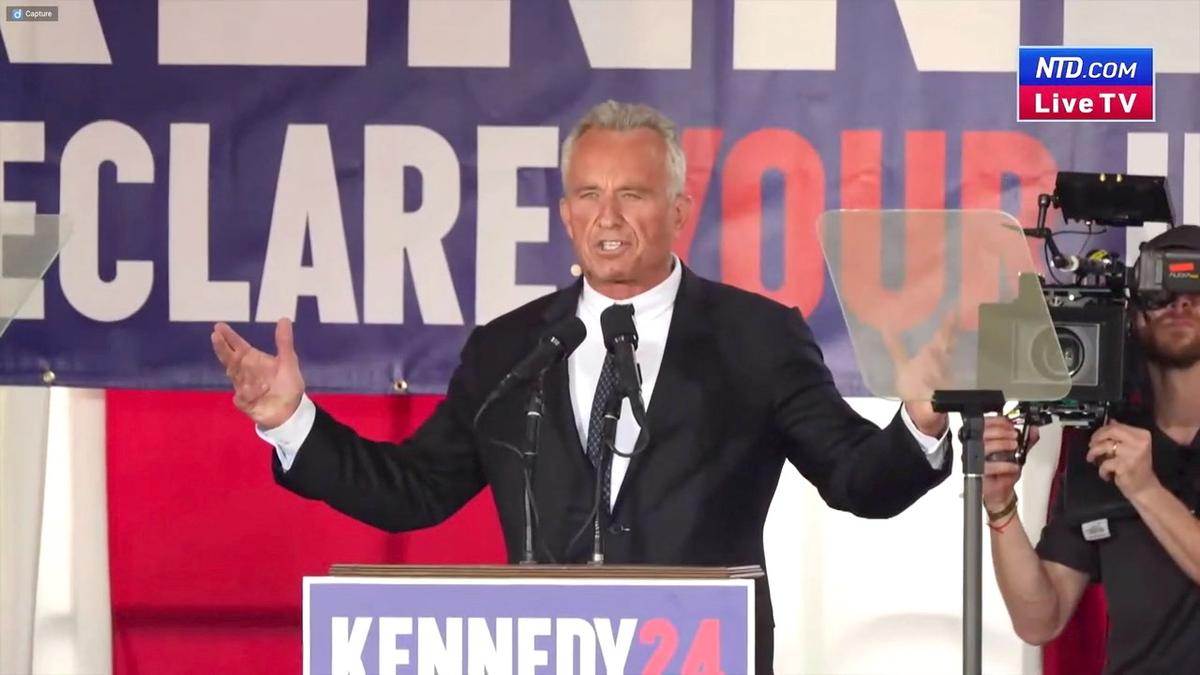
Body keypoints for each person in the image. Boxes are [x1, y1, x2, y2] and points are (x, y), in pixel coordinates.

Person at [212, 100, 954, 673]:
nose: (608, 217)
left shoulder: (756, 337)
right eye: (589, 194)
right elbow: (415, 490)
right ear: (566, 214)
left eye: (633, 194)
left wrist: (918, 423)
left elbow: (856, 477)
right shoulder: (510, 348)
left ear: (678, 210)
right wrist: (291, 420)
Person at [983, 225, 1200, 673]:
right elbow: (1040, 619)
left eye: (1198, 290)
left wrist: (1145, 490)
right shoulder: (1103, 444)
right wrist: (1001, 505)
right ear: (1132, 314)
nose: (1181, 304)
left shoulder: (1125, 462)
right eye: (1160, 291)